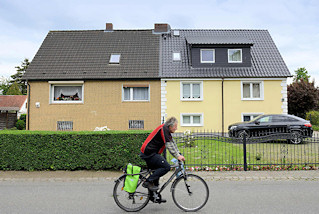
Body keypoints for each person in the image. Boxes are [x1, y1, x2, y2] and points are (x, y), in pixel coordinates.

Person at [140, 117, 185, 196]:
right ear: (170, 126)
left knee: (157, 171)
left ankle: (154, 195)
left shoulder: (166, 130)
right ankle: (147, 181)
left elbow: (172, 143)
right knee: (166, 167)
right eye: (175, 126)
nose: (176, 128)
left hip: (152, 153)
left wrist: (179, 153)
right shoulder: (164, 129)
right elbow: (169, 146)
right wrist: (177, 156)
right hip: (149, 153)